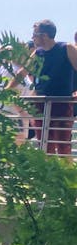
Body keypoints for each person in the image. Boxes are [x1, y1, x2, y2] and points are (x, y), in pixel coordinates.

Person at [30, 19, 77, 156]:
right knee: (44, 144)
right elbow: (23, 72)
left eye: (34, 34)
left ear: (44, 35)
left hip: (61, 103)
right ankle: (47, 175)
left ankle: (66, 176)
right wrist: (7, 91)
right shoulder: (38, 53)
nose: (32, 38)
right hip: (40, 104)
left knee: (63, 146)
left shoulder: (66, 48)